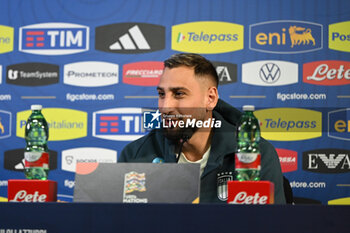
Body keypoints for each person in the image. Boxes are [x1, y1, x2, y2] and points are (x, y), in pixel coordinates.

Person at [119, 53, 286, 204]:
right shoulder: (136, 155)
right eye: (162, 94)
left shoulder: (256, 154)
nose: (165, 107)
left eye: (179, 94)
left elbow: (269, 225)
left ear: (210, 98)